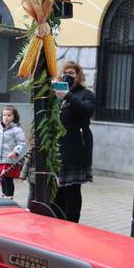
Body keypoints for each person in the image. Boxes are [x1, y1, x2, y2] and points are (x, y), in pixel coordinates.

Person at [52, 61, 95, 222]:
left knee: (72, 190)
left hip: (76, 148)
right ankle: (57, 221)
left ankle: (72, 224)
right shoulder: (56, 94)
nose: (68, 76)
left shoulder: (85, 94)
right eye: (65, 73)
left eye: (71, 73)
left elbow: (87, 110)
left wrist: (68, 95)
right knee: (57, 190)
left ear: (78, 75)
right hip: (57, 149)